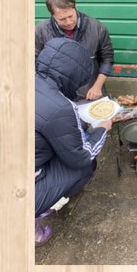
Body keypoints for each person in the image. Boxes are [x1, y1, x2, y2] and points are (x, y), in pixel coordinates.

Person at [34, 38, 115, 245]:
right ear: (73, 76)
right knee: (86, 165)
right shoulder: (60, 107)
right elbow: (81, 156)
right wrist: (102, 129)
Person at [34, 0, 113, 100]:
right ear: (52, 15)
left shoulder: (97, 28)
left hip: (90, 94)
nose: (69, 22)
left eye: (71, 16)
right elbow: (34, 64)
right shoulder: (40, 32)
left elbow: (107, 59)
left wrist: (97, 86)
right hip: (56, 97)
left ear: (74, 7)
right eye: (62, 19)